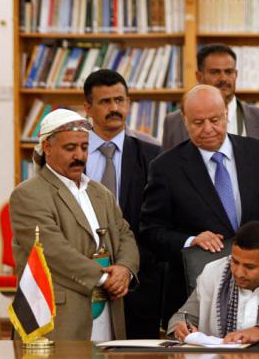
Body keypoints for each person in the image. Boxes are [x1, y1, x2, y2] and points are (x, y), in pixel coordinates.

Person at [140, 85, 259, 324]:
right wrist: (191, 241)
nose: (208, 129)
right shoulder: (165, 168)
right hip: (196, 294)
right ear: (184, 120)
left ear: (226, 114)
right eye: (198, 122)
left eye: (214, 119)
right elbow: (151, 231)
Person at [9, 109, 139, 341]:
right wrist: (104, 278)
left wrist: (125, 270)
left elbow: (125, 234)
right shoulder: (28, 194)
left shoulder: (100, 193)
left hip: (108, 311)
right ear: (47, 148)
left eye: (84, 147)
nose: (79, 155)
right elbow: (52, 251)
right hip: (59, 317)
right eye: (70, 148)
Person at [82, 69, 163, 339]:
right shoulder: (72, 154)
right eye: (105, 102)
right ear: (88, 108)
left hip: (139, 280)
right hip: (82, 275)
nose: (115, 108)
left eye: (120, 100)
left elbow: (156, 220)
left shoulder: (152, 156)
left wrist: (128, 268)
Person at [161, 43, 259, 161]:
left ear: (236, 75)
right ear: (199, 76)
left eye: (228, 72)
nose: (223, 78)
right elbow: (168, 173)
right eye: (215, 72)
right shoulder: (174, 122)